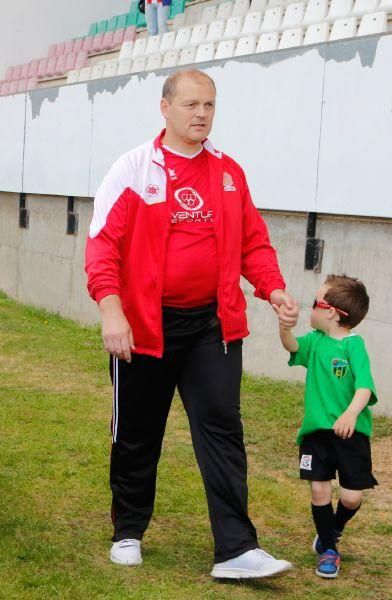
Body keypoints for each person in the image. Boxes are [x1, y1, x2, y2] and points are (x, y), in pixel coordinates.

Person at [84, 69, 295, 578]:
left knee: (223, 431)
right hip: (145, 329)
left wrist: (273, 288)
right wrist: (112, 310)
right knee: (136, 433)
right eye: (191, 104)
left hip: (212, 328)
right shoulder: (134, 169)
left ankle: (236, 549)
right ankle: (128, 530)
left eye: (210, 106)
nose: (201, 114)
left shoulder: (228, 173)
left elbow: (253, 243)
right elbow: (102, 247)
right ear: (165, 107)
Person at [274, 274, 377, 579]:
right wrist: (285, 327)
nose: (311, 308)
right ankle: (329, 551)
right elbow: (292, 345)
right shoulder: (315, 342)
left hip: (350, 434)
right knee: (319, 490)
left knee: (350, 497)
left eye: (315, 302)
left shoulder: (354, 346)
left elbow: (365, 388)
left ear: (331, 312)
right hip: (316, 434)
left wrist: (350, 414)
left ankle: (334, 528)